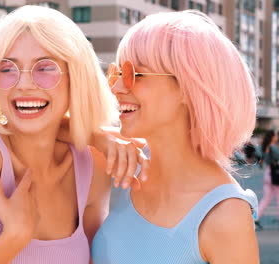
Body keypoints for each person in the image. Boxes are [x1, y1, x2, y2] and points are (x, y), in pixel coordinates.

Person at [0, 6, 147, 264]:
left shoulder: (91, 163)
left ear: (75, 77)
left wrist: (93, 135)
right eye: (7, 69)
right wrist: (13, 239)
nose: (24, 84)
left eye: (45, 68)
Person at [92, 10, 259, 264]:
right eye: (116, 73)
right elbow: (51, 128)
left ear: (187, 87)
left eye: (134, 75)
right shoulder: (128, 156)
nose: (116, 87)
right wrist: (97, 138)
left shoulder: (226, 215)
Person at [255, 130, 279, 231]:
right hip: (275, 174)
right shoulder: (273, 147)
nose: (277, 136)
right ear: (272, 137)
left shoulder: (263, 147)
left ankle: (254, 218)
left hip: (267, 173)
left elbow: (258, 154)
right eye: (276, 135)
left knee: (266, 199)